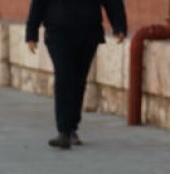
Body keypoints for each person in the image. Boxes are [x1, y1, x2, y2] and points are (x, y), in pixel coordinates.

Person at [25, 0, 127, 149]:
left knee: (78, 80)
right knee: (64, 77)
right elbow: (39, 2)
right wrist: (31, 32)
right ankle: (64, 131)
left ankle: (71, 127)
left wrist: (119, 25)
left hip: (88, 32)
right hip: (58, 31)